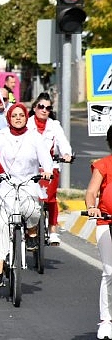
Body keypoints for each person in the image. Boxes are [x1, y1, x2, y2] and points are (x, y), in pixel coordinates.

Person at [0, 103, 52, 288]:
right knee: (1, 223)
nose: (18, 118)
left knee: (34, 210)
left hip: (29, 183)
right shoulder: (0, 136)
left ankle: (31, 232)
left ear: (25, 117)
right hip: (5, 184)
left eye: (22, 115)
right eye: (14, 116)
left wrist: (46, 171)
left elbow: (46, 158)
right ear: (9, 118)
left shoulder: (35, 137)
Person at [27, 92, 72, 245]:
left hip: (50, 167)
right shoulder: (27, 124)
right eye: (41, 107)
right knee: (28, 199)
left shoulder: (55, 125)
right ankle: (29, 228)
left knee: (51, 199)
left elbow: (63, 142)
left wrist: (66, 154)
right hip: (31, 168)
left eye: (48, 108)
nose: (44, 110)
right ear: (34, 108)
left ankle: (52, 230)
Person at [84, 125, 112, 340]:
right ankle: (106, 320)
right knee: (110, 272)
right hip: (106, 222)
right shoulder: (102, 165)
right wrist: (92, 207)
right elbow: (92, 192)